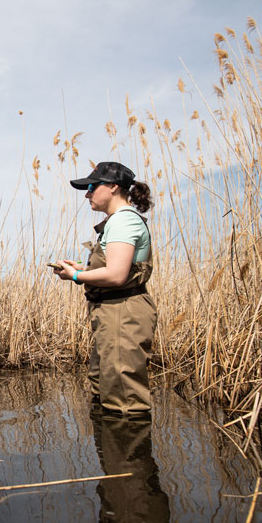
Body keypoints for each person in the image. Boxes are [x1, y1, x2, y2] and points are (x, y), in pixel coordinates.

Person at [53, 161, 156, 416]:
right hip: (112, 313)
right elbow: (116, 267)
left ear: (112, 187)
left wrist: (76, 275)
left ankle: (129, 452)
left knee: (124, 401)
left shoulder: (123, 221)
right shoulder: (115, 221)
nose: (87, 194)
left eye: (91, 187)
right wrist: (80, 268)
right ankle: (112, 452)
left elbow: (117, 275)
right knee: (106, 387)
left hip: (124, 313)